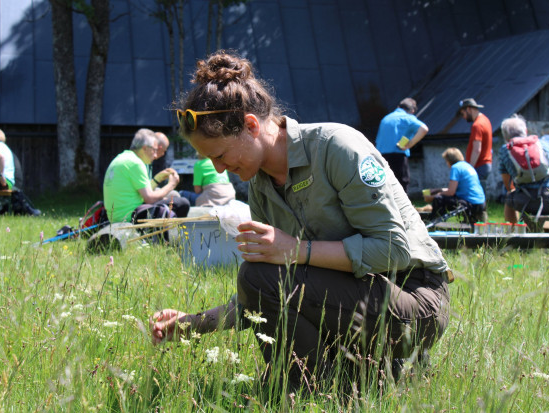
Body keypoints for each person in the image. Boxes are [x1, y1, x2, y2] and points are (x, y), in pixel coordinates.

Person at [150, 51, 451, 391]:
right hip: (354, 300)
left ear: (251, 126)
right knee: (259, 276)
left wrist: (296, 250)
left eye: (220, 155)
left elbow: (393, 250)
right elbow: (262, 293)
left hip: (415, 299)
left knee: (259, 274)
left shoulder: (337, 147)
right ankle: (354, 376)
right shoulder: (260, 185)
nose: (219, 169)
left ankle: (300, 388)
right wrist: (195, 324)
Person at [498, 116, 549, 223]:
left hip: (524, 201)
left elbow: (508, 186)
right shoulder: (545, 145)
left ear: (505, 136)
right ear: (526, 131)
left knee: (509, 199)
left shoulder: (505, 150)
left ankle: (515, 233)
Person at [103, 128, 189, 222]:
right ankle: (171, 235)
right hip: (131, 216)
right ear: (144, 148)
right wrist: (171, 184)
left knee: (171, 198)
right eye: (154, 150)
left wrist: (157, 179)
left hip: (116, 217)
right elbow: (149, 199)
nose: (156, 155)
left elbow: (141, 191)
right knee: (183, 203)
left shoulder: (123, 158)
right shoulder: (136, 163)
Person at [374, 97, 428, 192]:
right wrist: (410, 144)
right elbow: (424, 129)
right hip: (397, 156)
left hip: (380, 157)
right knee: (401, 185)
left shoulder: (386, 118)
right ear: (412, 110)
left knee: (385, 186)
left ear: (398, 106)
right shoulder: (407, 117)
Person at [423, 148, 486, 224]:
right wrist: (438, 190)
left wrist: (433, 197)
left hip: (470, 204)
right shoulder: (467, 166)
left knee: (438, 199)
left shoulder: (455, 168)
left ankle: (434, 223)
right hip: (480, 203)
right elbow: (457, 189)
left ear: (449, 160)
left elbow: (451, 192)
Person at [458, 98, 492, 194]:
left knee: (476, 195)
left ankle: (480, 209)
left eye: (462, 113)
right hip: (485, 164)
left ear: (468, 109)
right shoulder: (485, 120)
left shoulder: (477, 125)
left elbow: (477, 149)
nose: (463, 117)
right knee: (480, 193)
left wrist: (470, 169)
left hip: (479, 165)